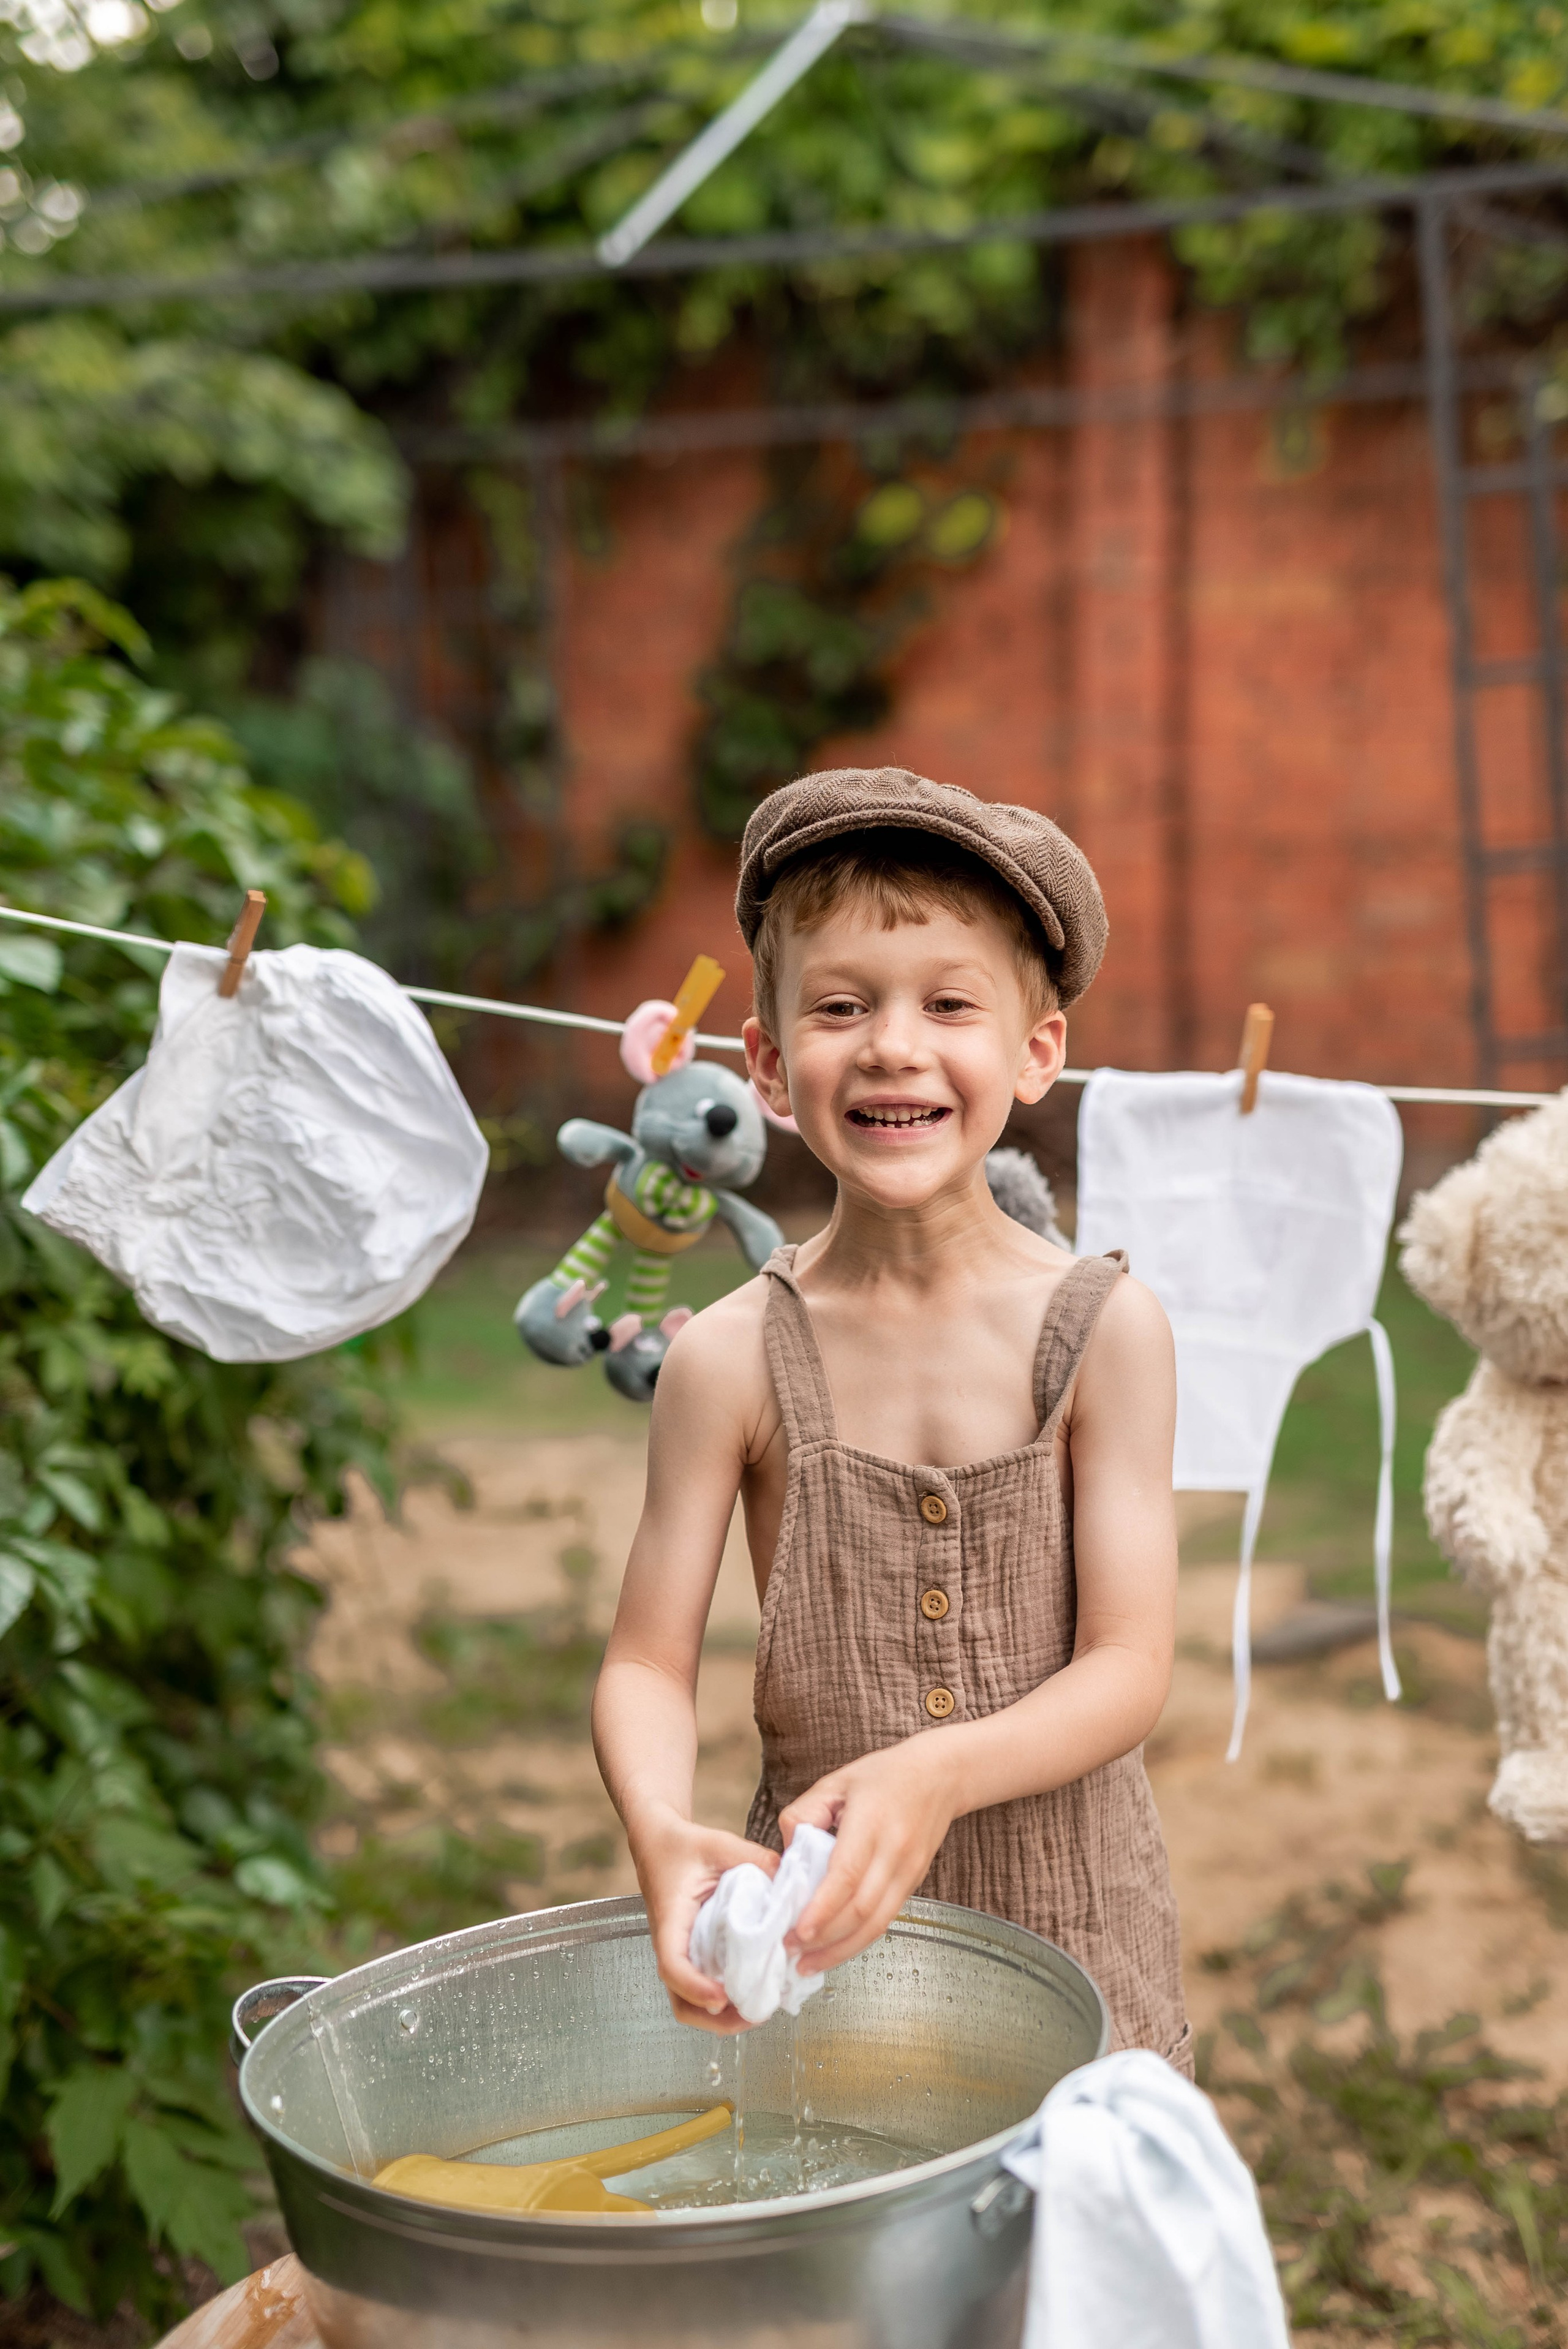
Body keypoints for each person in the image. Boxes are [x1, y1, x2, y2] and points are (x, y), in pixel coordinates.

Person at [591, 767, 1190, 2072]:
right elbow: (645, 1661)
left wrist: (934, 1771)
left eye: (949, 1003)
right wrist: (658, 1824)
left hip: (1074, 1921)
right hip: (823, 1951)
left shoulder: (1101, 1333)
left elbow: (1129, 1665)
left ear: (1035, 1053)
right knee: (843, 2252)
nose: (891, 1045)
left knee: (1061, 2254)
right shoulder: (732, 1359)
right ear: (765, 1064)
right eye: (841, 1005)